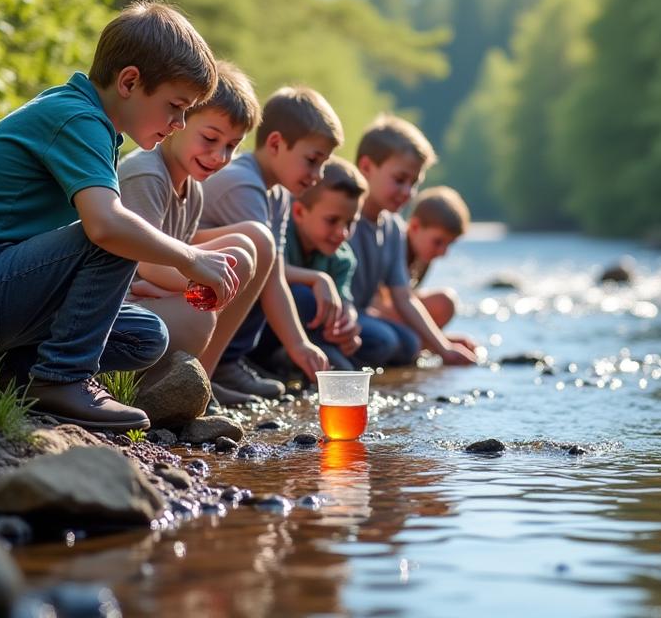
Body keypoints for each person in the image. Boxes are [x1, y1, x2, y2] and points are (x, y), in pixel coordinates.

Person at [0, 0, 242, 431]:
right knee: (112, 229)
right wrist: (189, 258)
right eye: (175, 106)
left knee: (147, 336)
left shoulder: (90, 120)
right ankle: (62, 378)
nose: (179, 122)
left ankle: (8, 368)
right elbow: (106, 227)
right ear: (129, 82)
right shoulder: (78, 119)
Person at [118, 60, 277, 406]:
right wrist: (209, 286)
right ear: (177, 120)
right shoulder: (146, 173)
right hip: (117, 306)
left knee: (246, 246)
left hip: (148, 296)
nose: (220, 156)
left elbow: (169, 261)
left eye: (232, 146)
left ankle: (201, 378)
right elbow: (147, 263)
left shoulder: (194, 187)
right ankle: (169, 386)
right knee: (199, 317)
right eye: (210, 138)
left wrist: (196, 282)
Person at [197, 85, 339, 403]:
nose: (318, 175)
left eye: (324, 164)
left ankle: (223, 365)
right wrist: (299, 345)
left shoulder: (279, 192)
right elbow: (270, 277)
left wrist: (317, 277)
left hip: (211, 286)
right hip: (186, 286)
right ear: (275, 143)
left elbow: (273, 267)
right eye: (312, 160)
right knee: (269, 280)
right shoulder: (244, 183)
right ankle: (207, 371)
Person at [350, 115, 479, 367]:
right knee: (386, 340)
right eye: (399, 180)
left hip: (361, 318)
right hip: (343, 315)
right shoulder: (342, 216)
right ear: (366, 167)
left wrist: (444, 348)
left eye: (414, 184)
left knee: (408, 343)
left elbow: (404, 297)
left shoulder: (393, 228)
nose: (407, 192)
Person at [252, 156, 366, 375]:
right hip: (258, 323)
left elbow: (344, 300)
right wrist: (317, 278)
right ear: (300, 213)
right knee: (305, 298)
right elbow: (269, 267)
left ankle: (289, 361)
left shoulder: (343, 258)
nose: (342, 233)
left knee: (369, 350)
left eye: (350, 223)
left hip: (309, 330)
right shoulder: (283, 229)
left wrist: (349, 323)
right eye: (332, 221)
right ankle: (259, 361)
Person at [367, 186, 477, 350]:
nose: (443, 252)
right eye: (438, 242)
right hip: (372, 312)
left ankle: (428, 343)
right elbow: (375, 303)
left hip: (394, 317)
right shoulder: (393, 244)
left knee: (446, 304)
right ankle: (428, 344)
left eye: (449, 244)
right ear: (415, 227)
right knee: (444, 301)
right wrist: (442, 344)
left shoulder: (423, 259)